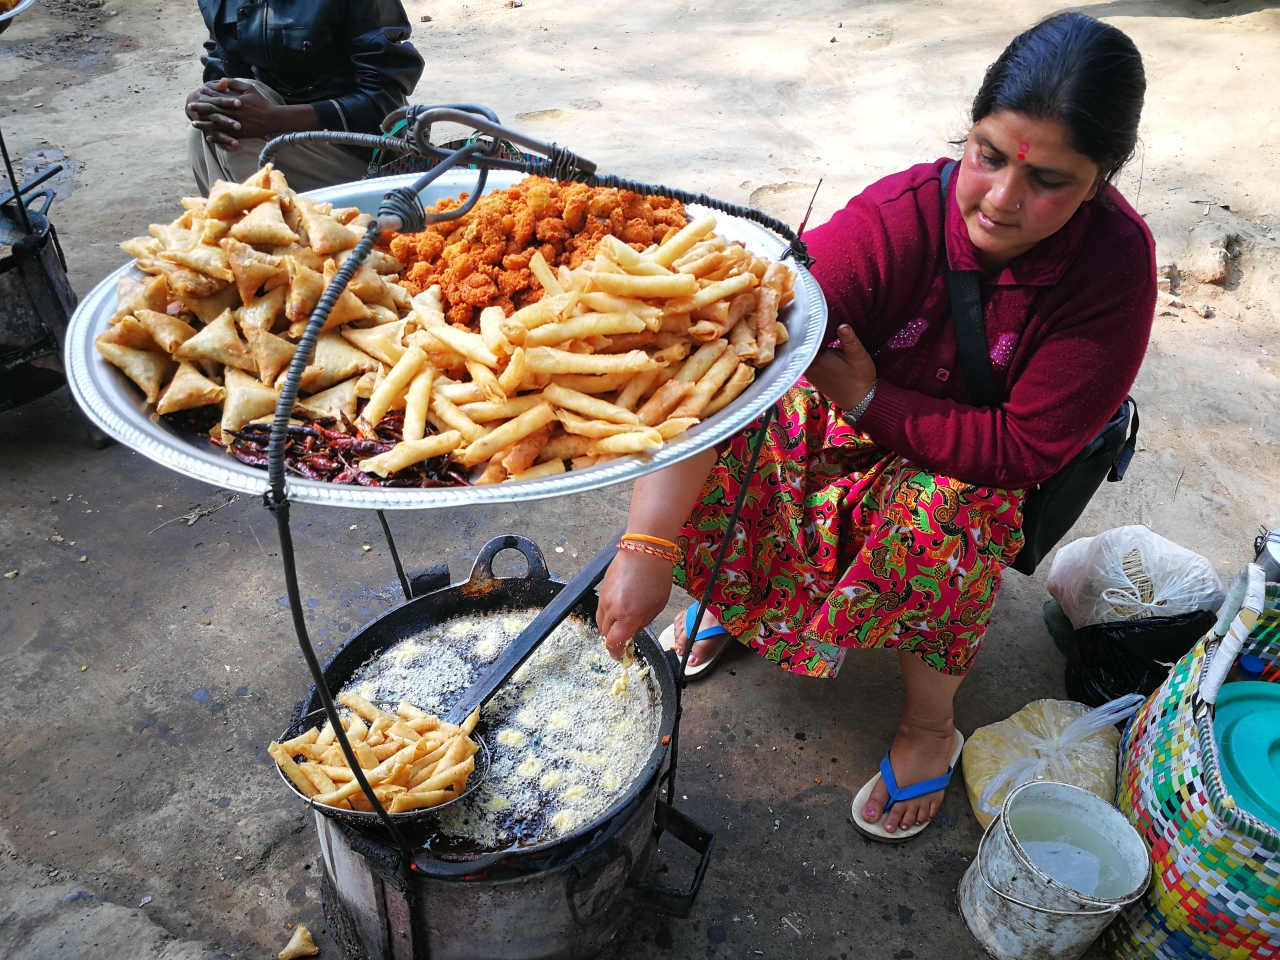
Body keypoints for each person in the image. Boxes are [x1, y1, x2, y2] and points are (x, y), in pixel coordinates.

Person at [595, 12, 1155, 842]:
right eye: (989, 157)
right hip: (842, 410)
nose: (1002, 199)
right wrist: (646, 545)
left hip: (966, 461)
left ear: (1103, 179)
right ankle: (737, 601)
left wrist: (869, 403)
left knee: (955, 514)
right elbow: (722, 359)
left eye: (1049, 181)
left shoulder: (1113, 269)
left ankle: (930, 725)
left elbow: (1023, 448)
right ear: (968, 134)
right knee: (752, 413)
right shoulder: (894, 220)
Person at [184, 0, 425, 196]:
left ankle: (268, 238)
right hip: (282, 145)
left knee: (239, 132)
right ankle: (245, 238)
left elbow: (385, 100)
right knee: (203, 130)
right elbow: (222, 76)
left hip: (365, 150)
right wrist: (201, 102)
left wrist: (277, 120)